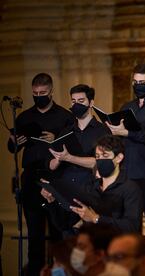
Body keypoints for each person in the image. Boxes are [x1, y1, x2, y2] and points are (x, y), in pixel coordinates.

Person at [7, 73, 74, 276]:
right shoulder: (25, 117)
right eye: (35, 93)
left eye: (43, 93)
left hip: (56, 178)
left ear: (51, 91)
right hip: (31, 178)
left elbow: (72, 146)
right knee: (35, 235)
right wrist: (14, 142)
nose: (39, 96)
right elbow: (12, 148)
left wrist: (56, 138)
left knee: (58, 234)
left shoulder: (64, 116)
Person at [106, 63, 145, 275]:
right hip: (128, 174)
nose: (138, 86)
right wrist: (115, 132)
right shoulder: (127, 106)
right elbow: (121, 140)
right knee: (127, 227)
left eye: (142, 82)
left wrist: (127, 133)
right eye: (135, 82)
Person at [41, 135, 143, 234]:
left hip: (117, 248)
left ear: (118, 158)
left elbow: (132, 227)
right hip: (93, 247)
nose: (100, 160)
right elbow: (64, 225)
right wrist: (52, 201)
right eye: (97, 157)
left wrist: (96, 218)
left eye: (105, 155)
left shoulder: (130, 188)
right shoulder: (90, 188)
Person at [48, 84, 110, 185]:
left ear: (91, 103)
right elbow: (51, 165)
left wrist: (69, 158)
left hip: (90, 187)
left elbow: (100, 162)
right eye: (73, 101)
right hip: (67, 187)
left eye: (81, 101)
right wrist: (58, 159)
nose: (76, 105)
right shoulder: (66, 132)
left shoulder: (102, 131)